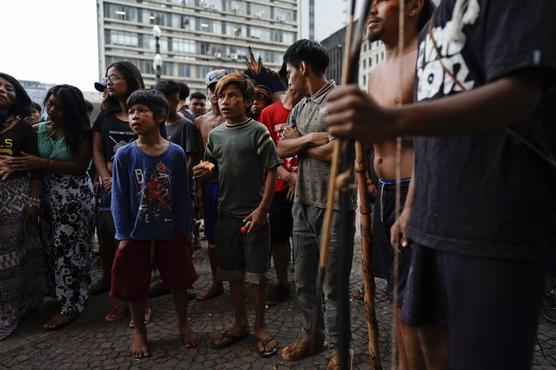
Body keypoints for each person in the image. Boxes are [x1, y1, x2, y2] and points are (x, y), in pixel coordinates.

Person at [325, 1, 556, 369]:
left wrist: (392, 120)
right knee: (419, 337)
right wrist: (414, 209)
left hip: (491, 219)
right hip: (429, 217)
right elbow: (430, 135)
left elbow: (519, 95)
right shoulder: (437, 25)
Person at [276, 39, 355, 368]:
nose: (289, 78)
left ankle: (341, 347)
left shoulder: (339, 100)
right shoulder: (300, 106)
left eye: (290, 71)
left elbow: (340, 152)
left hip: (334, 206)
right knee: (305, 280)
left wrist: (299, 145)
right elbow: (281, 148)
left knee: (333, 284)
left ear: (303, 67)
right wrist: (310, 140)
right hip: (302, 202)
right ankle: (313, 336)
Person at [364, 1, 432, 369]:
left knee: (417, 307)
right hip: (386, 191)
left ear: (414, 5)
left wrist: (410, 208)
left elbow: (432, 144)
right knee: (395, 295)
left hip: (415, 193)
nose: (371, 10)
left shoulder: (428, 58)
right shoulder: (375, 72)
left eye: (380, 0)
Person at [193, 72, 280, 357]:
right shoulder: (215, 135)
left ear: (247, 100)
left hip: (253, 216)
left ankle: (261, 326)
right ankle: (240, 323)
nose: (226, 101)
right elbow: (214, 167)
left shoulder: (258, 131)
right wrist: (207, 171)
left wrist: (262, 210)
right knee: (232, 274)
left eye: (233, 96)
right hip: (225, 215)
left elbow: (271, 170)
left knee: (256, 276)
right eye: (221, 96)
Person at [111, 89, 200, 359]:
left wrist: (186, 230)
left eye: (142, 111)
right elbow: (119, 196)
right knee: (136, 284)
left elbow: (183, 195)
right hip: (136, 232)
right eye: (132, 111)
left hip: (170, 229)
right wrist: (123, 234)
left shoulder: (174, 153)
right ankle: (140, 331)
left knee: (178, 281)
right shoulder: (124, 155)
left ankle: (183, 324)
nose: (135, 116)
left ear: (160, 116)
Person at [7, 84, 95, 330]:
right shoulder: (43, 128)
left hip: (73, 197)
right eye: (51, 104)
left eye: (59, 107)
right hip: (47, 196)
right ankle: (63, 294)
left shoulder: (82, 132)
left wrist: (41, 162)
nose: (52, 110)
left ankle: (71, 306)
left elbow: (79, 166)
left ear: (72, 110)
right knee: (51, 247)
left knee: (70, 250)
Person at [90, 61, 151, 326]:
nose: (109, 81)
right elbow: (97, 150)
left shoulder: (144, 113)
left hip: (139, 189)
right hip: (109, 190)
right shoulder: (104, 116)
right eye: (107, 77)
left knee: (138, 247)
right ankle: (124, 300)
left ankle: (140, 302)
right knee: (117, 246)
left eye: (114, 76)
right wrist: (105, 177)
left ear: (130, 79)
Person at [0, 73, 46, 340]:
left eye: (9, 88)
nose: (3, 91)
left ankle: (9, 312)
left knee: (9, 260)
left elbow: (36, 169)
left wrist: (32, 202)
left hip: (13, 199)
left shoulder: (23, 128)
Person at [151, 79, 201, 298]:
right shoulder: (155, 127)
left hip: (180, 191)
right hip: (157, 193)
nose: (169, 106)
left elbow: (192, 158)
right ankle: (166, 279)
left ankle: (186, 281)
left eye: (172, 101)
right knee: (162, 236)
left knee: (183, 235)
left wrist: (175, 180)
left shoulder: (186, 125)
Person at [258, 81, 306, 306]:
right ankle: (283, 282)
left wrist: (300, 180)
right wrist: (288, 177)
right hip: (278, 186)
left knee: (306, 236)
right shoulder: (269, 113)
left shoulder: (310, 111)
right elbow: (266, 154)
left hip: (306, 186)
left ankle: (307, 282)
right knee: (278, 237)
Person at [193, 69, 227, 301]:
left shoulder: (237, 118)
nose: (217, 92)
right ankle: (216, 282)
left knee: (239, 234)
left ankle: (240, 280)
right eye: (213, 88)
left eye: (221, 87)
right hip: (210, 185)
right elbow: (199, 156)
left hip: (235, 184)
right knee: (213, 238)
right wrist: (197, 188)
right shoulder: (200, 121)